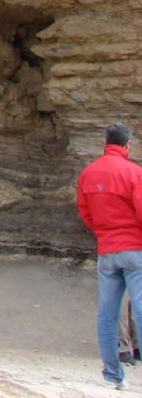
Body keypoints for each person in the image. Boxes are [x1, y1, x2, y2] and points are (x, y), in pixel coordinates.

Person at [77, 122, 142, 390]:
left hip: (107, 250)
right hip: (134, 249)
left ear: (106, 143)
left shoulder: (88, 174)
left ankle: (113, 375)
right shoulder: (134, 173)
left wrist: (103, 232)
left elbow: (85, 213)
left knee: (107, 314)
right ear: (127, 145)